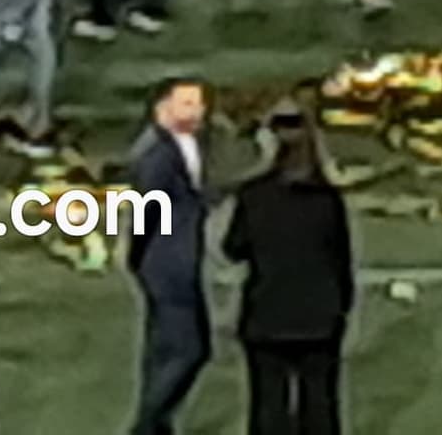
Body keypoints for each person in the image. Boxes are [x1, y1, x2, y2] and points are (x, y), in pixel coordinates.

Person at [222, 102, 352, 435]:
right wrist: (341, 308)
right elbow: (341, 258)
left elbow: (233, 249)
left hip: (267, 311)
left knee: (269, 404)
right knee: (320, 403)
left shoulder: (254, 196)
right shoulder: (327, 199)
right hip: (320, 314)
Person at [122, 76, 213, 435]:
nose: (198, 110)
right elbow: (147, 211)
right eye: (188, 102)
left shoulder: (181, 146)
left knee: (164, 350)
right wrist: (139, 255)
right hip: (170, 266)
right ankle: (147, 425)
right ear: (163, 108)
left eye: (199, 103)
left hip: (170, 263)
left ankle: (157, 425)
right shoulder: (158, 156)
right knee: (189, 349)